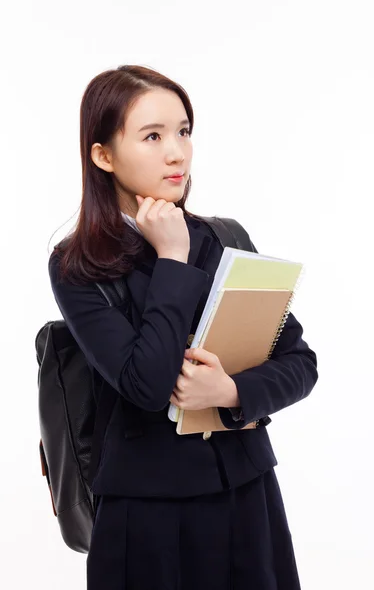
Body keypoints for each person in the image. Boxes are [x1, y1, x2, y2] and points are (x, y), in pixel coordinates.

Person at [48, 64, 318, 590]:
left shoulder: (223, 237)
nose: (177, 151)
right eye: (152, 136)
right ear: (103, 155)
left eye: (184, 131)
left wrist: (232, 391)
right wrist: (172, 257)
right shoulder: (77, 263)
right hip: (146, 511)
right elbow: (146, 387)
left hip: (247, 491)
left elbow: (300, 363)